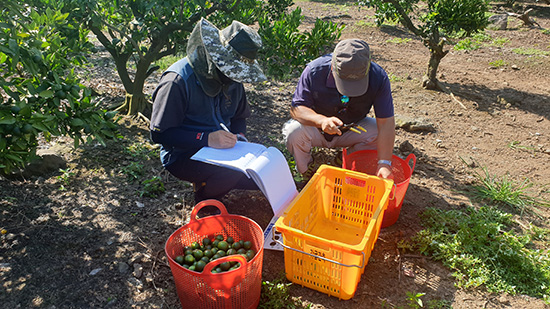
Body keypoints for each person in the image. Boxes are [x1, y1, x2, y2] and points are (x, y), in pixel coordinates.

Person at [149, 18, 266, 203]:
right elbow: (160, 134)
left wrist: (240, 137)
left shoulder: (233, 80)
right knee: (230, 172)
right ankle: (205, 200)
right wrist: (206, 138)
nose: (233, 78)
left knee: (261, 174)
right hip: (182, 154)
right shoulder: (177, 82)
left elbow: (239, 117)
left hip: (223, 150)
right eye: (229, 73)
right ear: (215, 60)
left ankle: (216, 181)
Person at [283, 38, 395, 182]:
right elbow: (297, 109)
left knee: (377, 131)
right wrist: (321, 121)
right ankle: (305, 171)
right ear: (332, 66)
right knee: (294, 132)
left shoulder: (378, 77)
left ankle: (347, 161)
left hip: (352, 128)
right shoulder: (314, 71)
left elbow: (386, 123)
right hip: (316, 129)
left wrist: (384, 163)